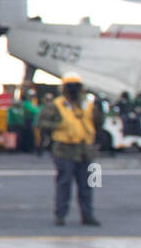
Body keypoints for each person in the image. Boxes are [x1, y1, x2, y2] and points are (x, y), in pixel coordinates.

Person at [37, 72, 101, 226]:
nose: (73, 90)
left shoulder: (88, 105)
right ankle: (60, 215)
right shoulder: (56, 105)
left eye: (76, 86)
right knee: (64, 183)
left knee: (87, 185)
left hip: (85, 149)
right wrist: (59, 126)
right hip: (65, 149)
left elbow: (98, 122)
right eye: (70, 86)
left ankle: (87, 215)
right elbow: (42, 123)